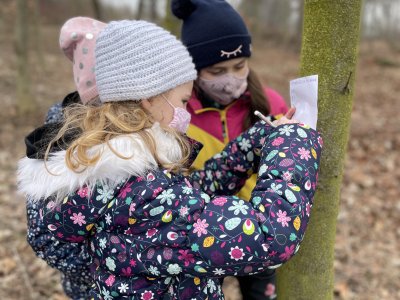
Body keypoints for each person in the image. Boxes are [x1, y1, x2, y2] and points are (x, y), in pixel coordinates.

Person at [18, 18, 322, 299]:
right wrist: (294, 142)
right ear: (148, 100)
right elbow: (269, 237)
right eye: (182, 101)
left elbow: (190, 196)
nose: (186, 113)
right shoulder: (143, 195)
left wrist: (255, 143)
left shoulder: (110, 172)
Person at [171, 0, 287, 298]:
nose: (231, 78)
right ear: (194, 70)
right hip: (202, 235)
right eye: (217, 70)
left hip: (261, 230)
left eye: (239, 66)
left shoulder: (270, 104)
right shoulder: (179, 115)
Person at [24, 17, 106, 299]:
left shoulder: (141, 131)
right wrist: (109, 272)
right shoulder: (60, 138)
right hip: (91, 289)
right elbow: (45, 235)